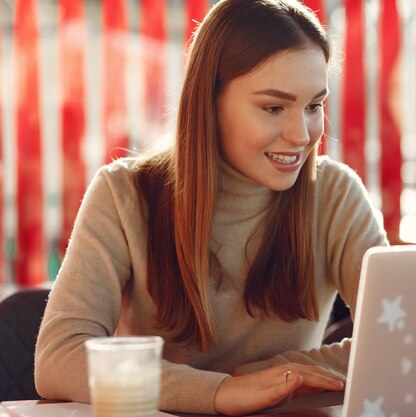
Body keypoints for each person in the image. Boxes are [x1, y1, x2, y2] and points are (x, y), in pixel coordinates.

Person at [34, 0, 388, 415]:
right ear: (209, 103)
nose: (301, 135)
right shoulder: (123, 194)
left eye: (313, 106)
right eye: (274, 108)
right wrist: (221, 392)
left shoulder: (335, 194)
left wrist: (277, 374)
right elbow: (59, 357)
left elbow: (401, 333)